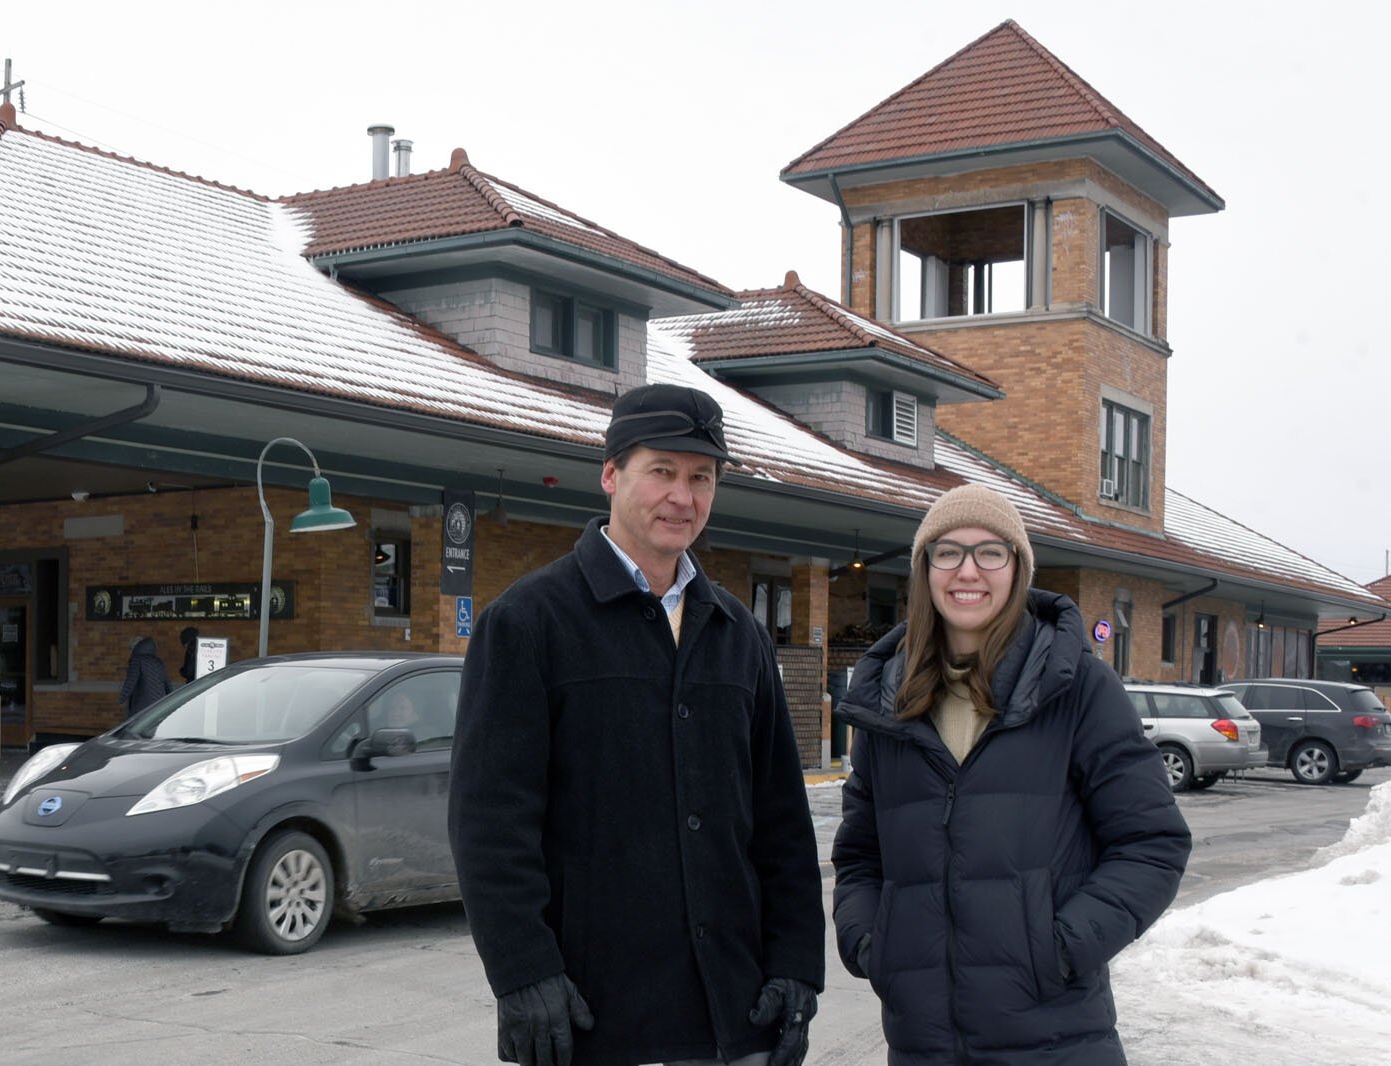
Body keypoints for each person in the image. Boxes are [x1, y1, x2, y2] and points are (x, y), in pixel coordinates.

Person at [449, 383, 825, 1066]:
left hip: (732, 1014)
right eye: (663, 472)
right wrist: (523, 971)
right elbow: (490, 822)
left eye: (701, 478)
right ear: (611, 474)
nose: (683, 496)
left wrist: (797, 963)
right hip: (593, 1017)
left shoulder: (739, 634)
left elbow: (781, 823)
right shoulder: (529, 624)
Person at [830, 484, 1191, 1064]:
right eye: (947, 552)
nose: (967, 570)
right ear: (924, 569)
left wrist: (1058, 949)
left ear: (1018, 568)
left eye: (990, 552)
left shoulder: (1078, 688)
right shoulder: (889, 702)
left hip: (1056, 1039)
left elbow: (1152, 844)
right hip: (923, 1042)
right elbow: (861, 855)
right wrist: (874, 943)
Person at [119, 635, 170, 714]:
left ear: (135, 648)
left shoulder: (137, 660)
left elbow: (130, 681)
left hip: (143, 703)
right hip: (159, 702)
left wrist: (122, 697)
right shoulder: (158, 661)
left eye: (130, 649)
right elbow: (167, 682)